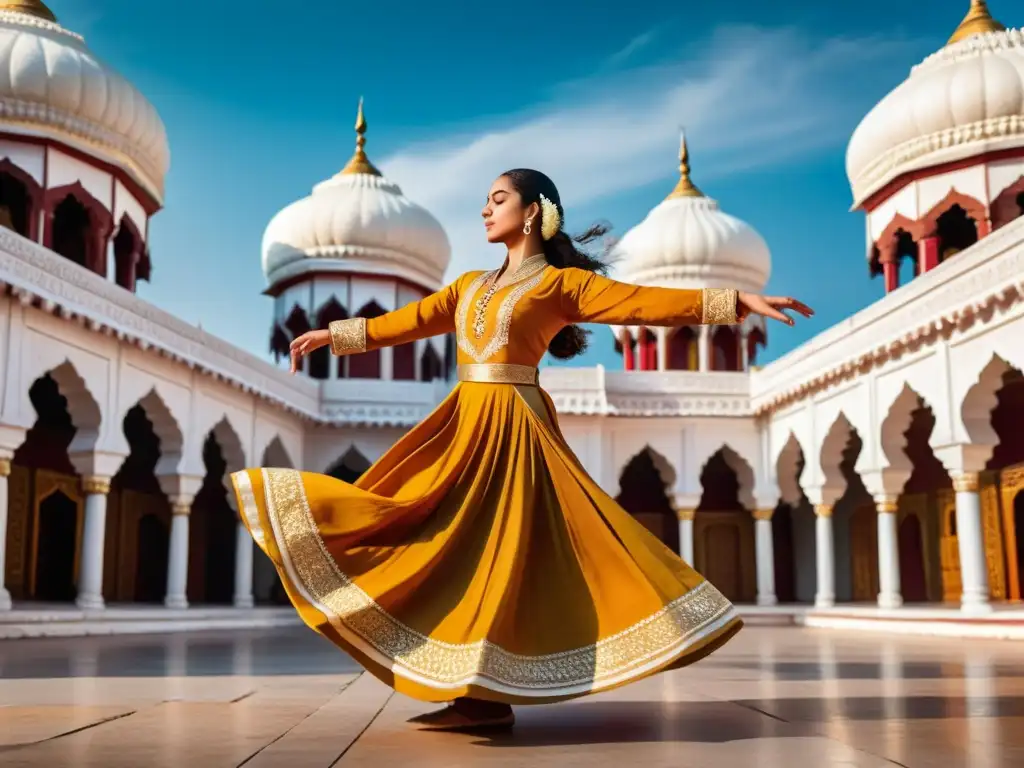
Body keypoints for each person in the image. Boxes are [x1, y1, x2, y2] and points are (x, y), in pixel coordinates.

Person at [233, 168, 813, 732]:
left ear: (532, 211)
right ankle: (477, 695)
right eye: (486, 200)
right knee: (435, 536)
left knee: (502, 555)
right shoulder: (467, 287)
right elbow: (407, 322)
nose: (485, 209)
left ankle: (487, 695)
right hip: (463, 425)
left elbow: (640, 302)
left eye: (498, 198)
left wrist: (734, 301)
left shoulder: (562, 285)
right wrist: (335, 335)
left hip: (517, 428)